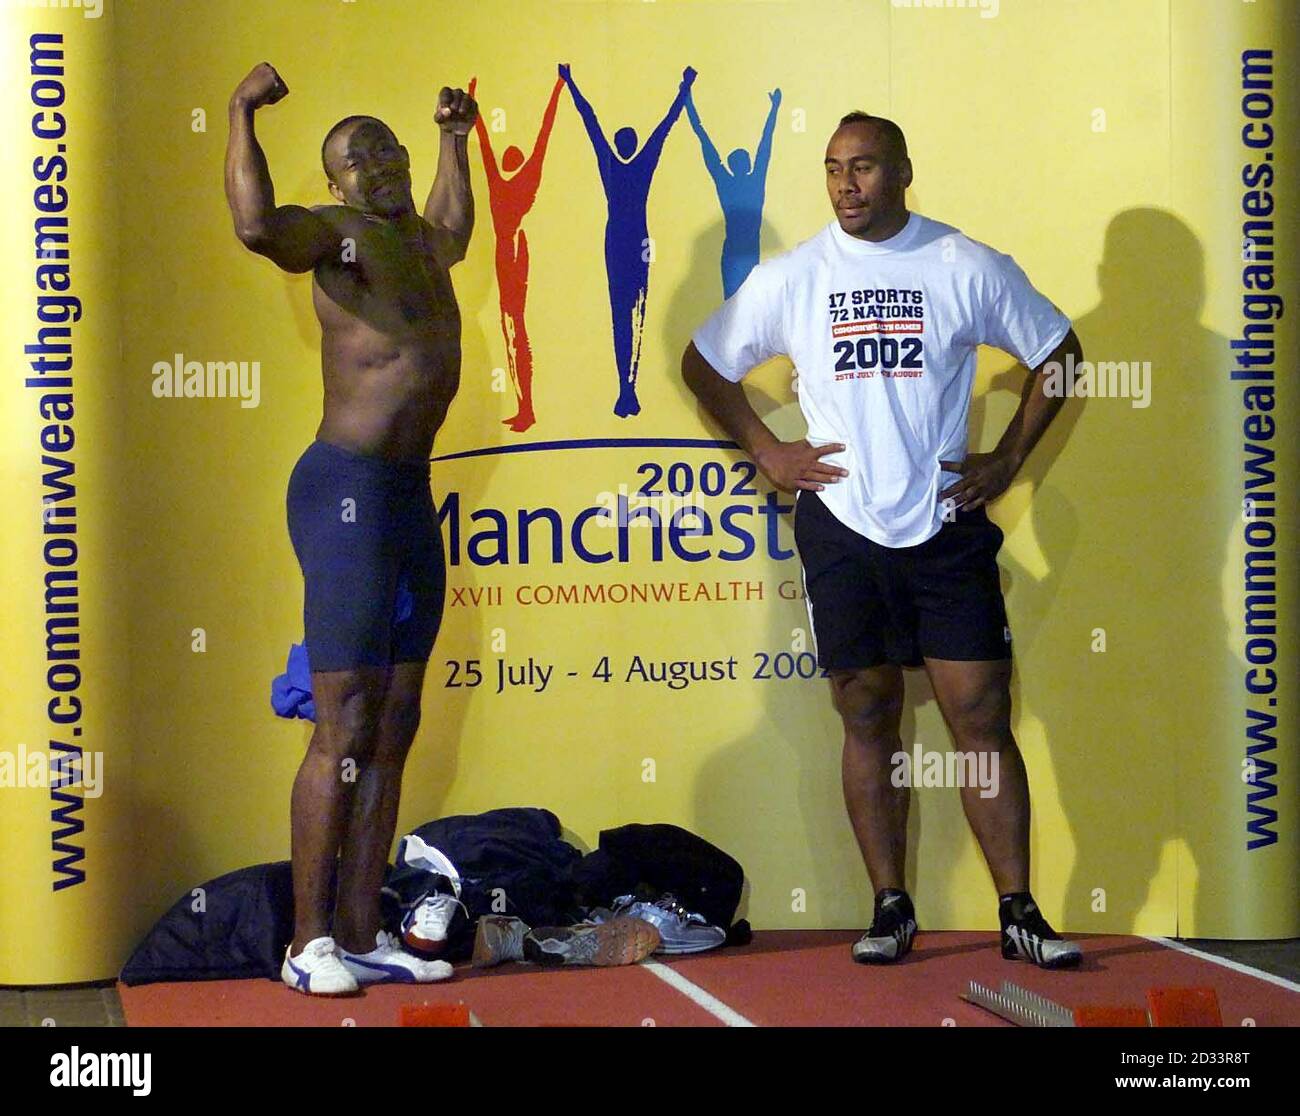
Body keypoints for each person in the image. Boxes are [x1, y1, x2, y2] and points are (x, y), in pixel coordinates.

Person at [683, 110, 1085, 969]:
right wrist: (765, 448)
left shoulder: (960, 263)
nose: (845, 186)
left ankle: (1018, 911)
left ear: (903, 172)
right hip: (841, 525)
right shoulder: (798, 277)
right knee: (867, 711)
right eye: (832, 169)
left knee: (979, 715)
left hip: (943, 524)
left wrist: (1008, 458)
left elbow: (1059, 350)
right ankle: (890, 905)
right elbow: (704, 361)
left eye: (863, 167)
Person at [224, 61, 476, 994]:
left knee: (399, 719)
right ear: (333, 183)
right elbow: (256, 227)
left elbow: (454, 225)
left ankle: (365, 928)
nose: (374, 164)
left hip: (408, 494)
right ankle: (307, 942)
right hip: (346, 492)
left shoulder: (421, 238)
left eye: (385, 148)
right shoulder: (335, 237)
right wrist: (243, 111)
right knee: (346, 722)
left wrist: (455, 138)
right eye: (353, 157)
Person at [560, 62, 695, 417]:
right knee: (629, 311)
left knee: (629, 312)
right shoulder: (629, 163)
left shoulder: (622, 164)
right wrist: (570, 83)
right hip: (628, 239)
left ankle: (627, 389)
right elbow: (661, 125)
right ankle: (626, 388)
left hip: (628, 239)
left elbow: (662, 125)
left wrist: (685, 90)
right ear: (629, 143)